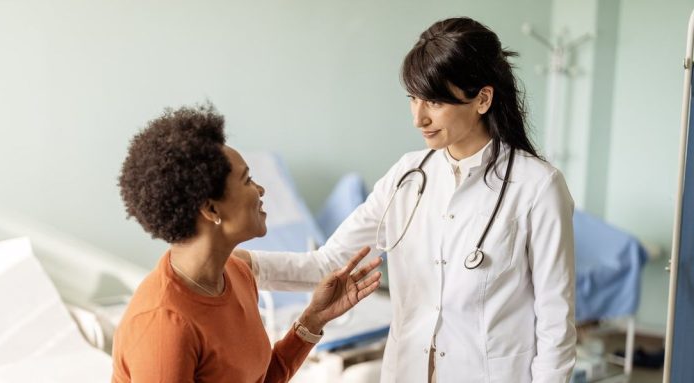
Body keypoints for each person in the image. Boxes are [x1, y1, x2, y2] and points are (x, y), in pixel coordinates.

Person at [235, 17, 576, 382]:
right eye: (413, 98)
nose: (418, 118)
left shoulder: (537, 187)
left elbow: (556, 324)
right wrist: (239, 264)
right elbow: (330, 263)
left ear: (482, 99)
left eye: (433, 101)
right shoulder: (407, 176)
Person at [111, 103, 383, 383]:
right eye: (247, 180)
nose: (260, 190)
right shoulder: (164, 324)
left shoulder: (236, 272)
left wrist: (314, 318)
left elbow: (262, 378)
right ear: (211, 210)